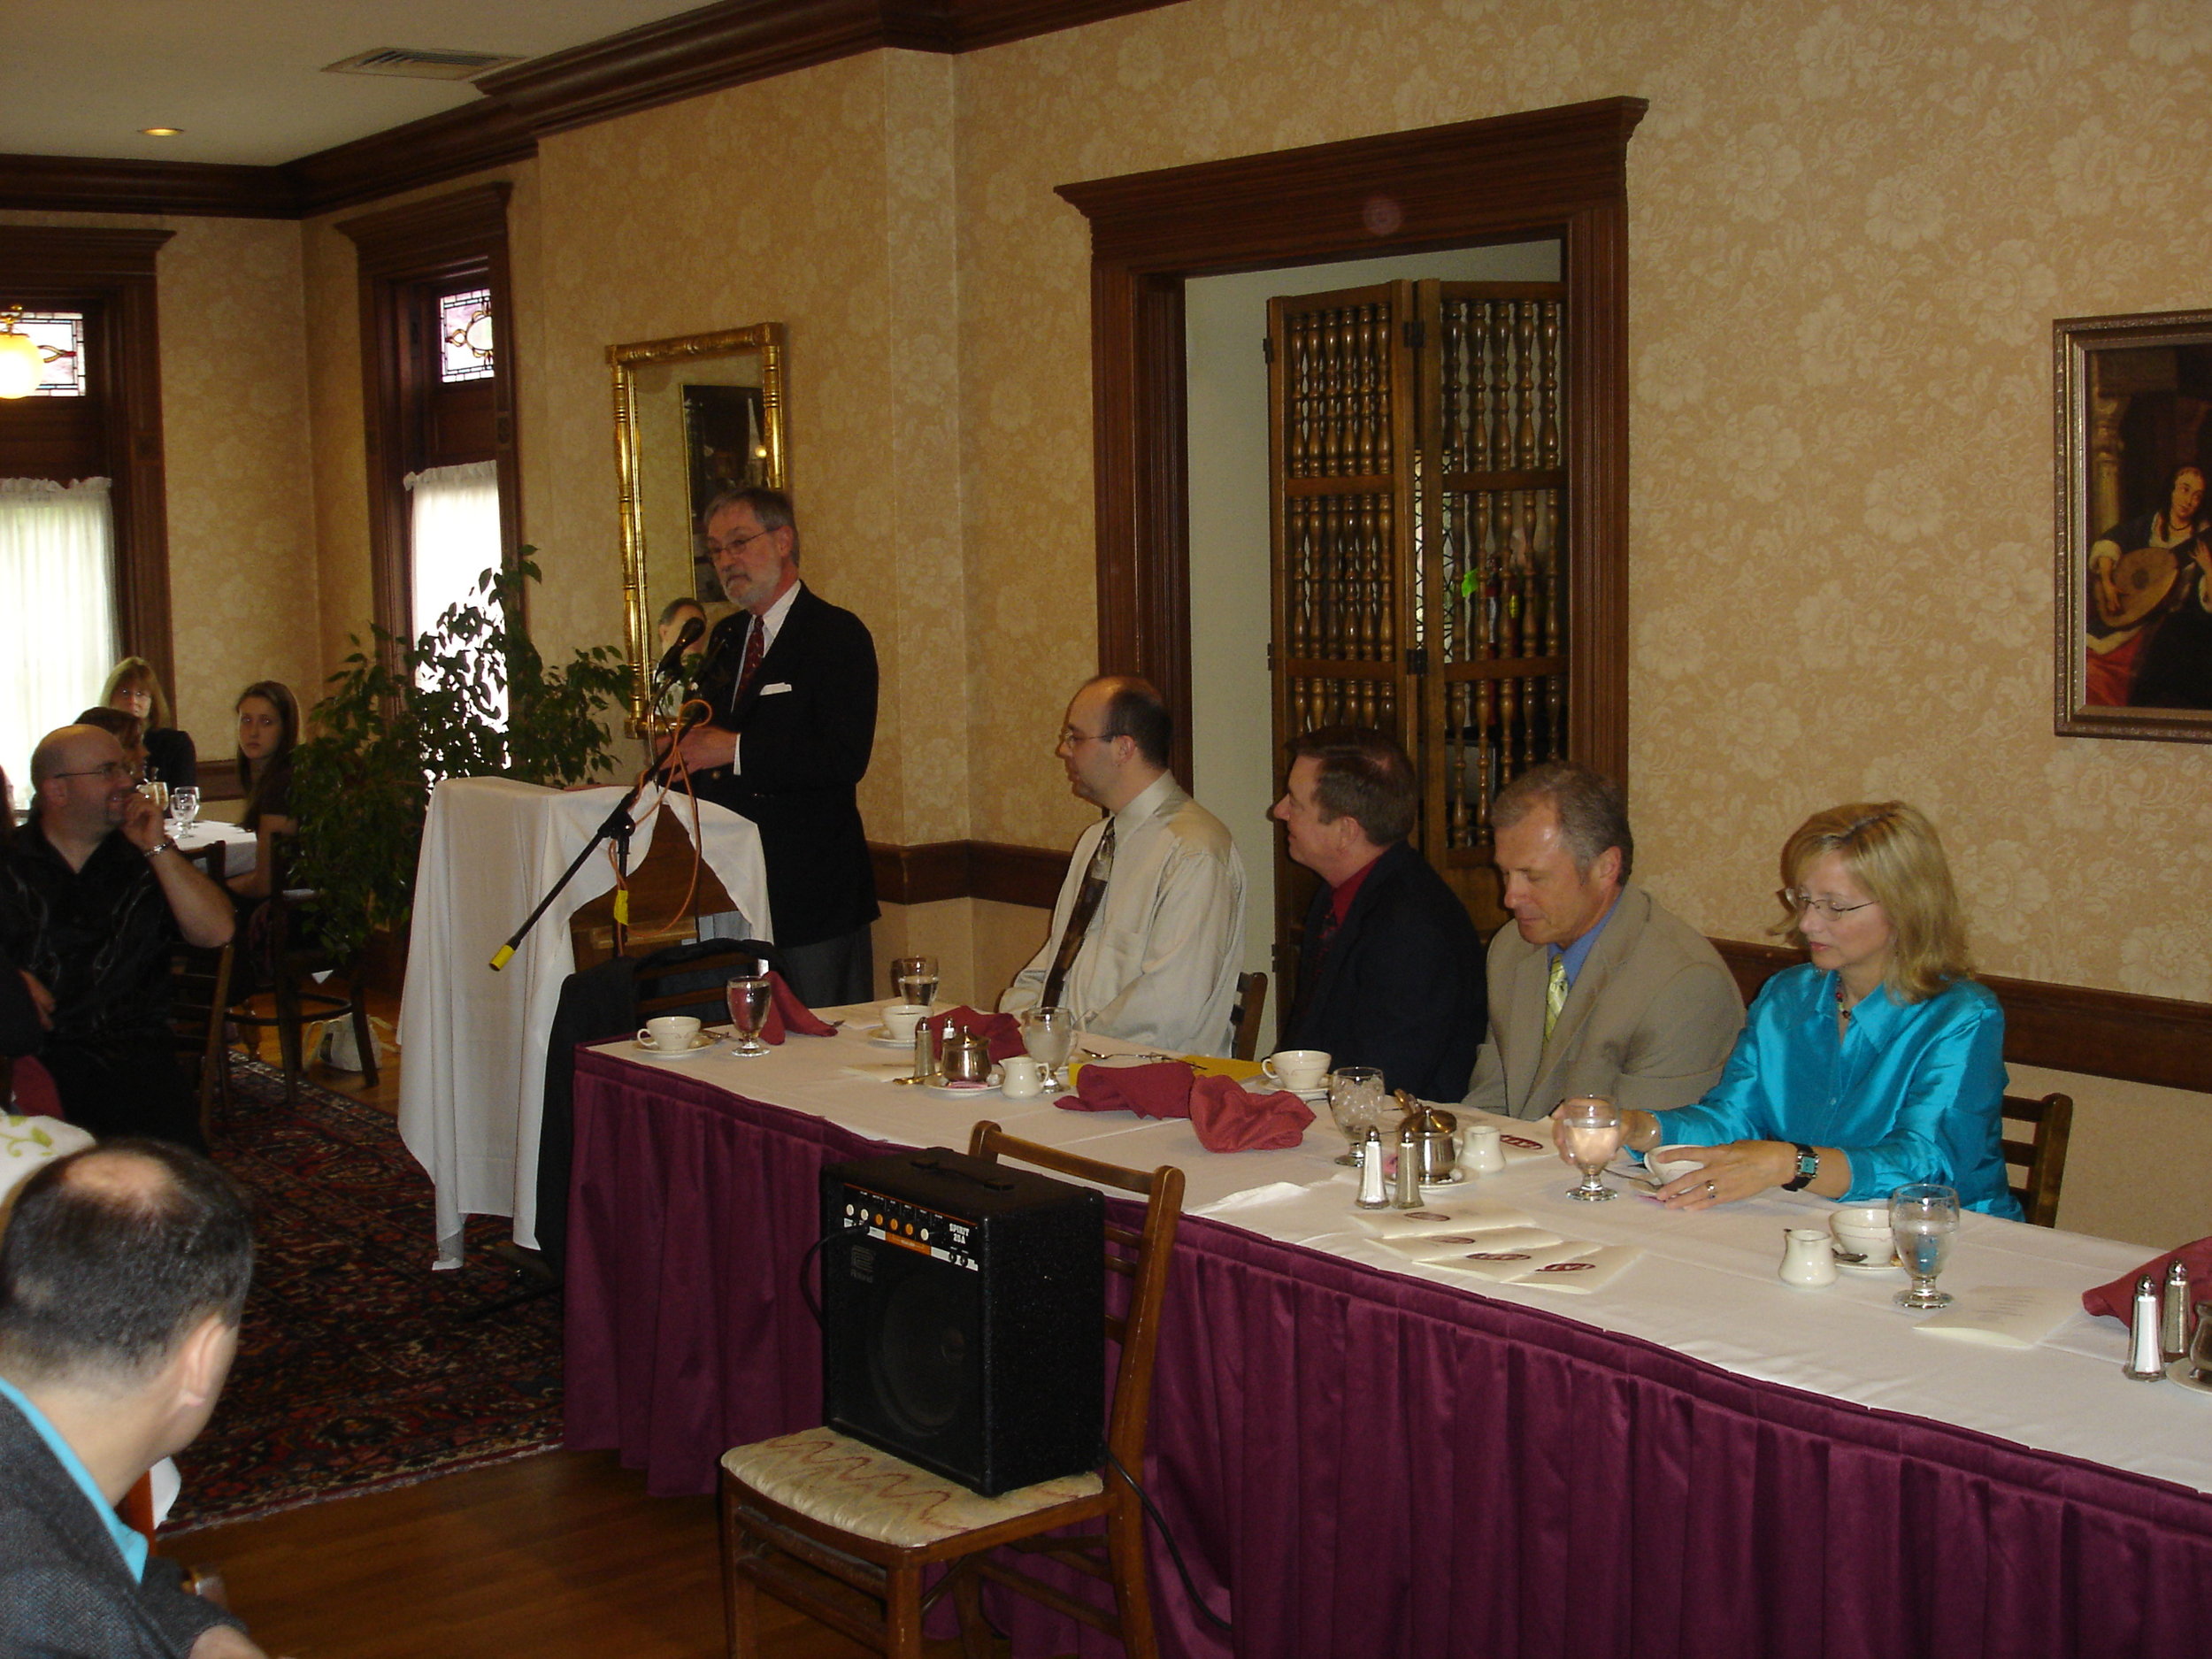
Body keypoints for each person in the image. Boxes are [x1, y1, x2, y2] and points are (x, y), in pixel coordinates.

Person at [1600, 802, 2021, 1217]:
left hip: (1949, 1239)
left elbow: (1927, 1164)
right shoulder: (1788, 996)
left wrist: (1791, 1163)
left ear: (1906, 907)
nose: (1806, 924)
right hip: (1816, 1227)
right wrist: (1642, 1127)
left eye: (1834, 906)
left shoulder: (1962, 1016)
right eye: (1803, 899)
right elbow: (1733, 1118)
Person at [0, 1141, 269, 1658]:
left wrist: (205, 1636)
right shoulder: (36, 1613)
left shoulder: (35, 1481)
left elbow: (99, 1558)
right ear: (202, 1358)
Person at [667, 488, 879, 1006]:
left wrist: (735, 750)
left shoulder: (836, 634)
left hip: (810, 890)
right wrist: (638, 785)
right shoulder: (726, 636)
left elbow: (843, 756)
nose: (726, 561)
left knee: (818, 1055)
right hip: (727, 884)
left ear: (783, 540)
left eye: (739, 543)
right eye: (716, 550)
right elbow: (705, 738)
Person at [1464, 762, 1741, 1119]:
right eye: (1505, 873)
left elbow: (1648, 1154)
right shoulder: (1511, 947)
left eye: (1533, 877)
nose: (1510, 898)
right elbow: (1489, 1106)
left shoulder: (1683, 983)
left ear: (1605, 868)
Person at [0, 725, 234, 1147]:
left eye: (126, 768)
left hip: (137, 1064)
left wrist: (157, 847)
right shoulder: (9, 864)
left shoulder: (143, 860)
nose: (127, 782)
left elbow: (216, 932)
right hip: (37, 1066)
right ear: (56, 790)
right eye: (108, 770)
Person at [1001, 676, 1246, 1056]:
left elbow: (1167, 1009)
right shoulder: (1096, 840)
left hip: (1152, 1079)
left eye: (1075, 737)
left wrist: (1066, 1045)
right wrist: (1026, 1026)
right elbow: (1051, 968)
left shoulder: (1194, 852)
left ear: (1123, 748)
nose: (1063, 750)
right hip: (1071, 1063)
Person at [1270, 726, 1484, 1099]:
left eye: (1295, 802)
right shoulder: (1339, 893)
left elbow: (1384, 1081)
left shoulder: (1413, 926)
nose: (1279, 810)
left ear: (1344, 831)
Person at [2085, 464, 2205, 707]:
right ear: (2171, 490)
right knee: (2090, 668)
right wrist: (2108, 582)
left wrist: (2209, 567)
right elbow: (2111, 543)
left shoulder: (2202, 538)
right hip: (2127, 614)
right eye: (2184, 489)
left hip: (2169, 627)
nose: (2188, 500)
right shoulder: (2148, 525)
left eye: (2196, 496)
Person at [226, 682, 299, 904]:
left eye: (266, 722)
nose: (253, 732)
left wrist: (215, 889)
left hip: (296, 908)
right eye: (246, 720)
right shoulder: (270, 777)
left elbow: (266, 883)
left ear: (285, 728)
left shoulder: (283, 783)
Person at [102, 658, 197, 792]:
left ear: (152, 701)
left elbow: (184, 798)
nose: (133, 701)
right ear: (111, 697)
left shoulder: (175, 743)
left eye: (140, 694)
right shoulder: (98, 742)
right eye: (125, 693)